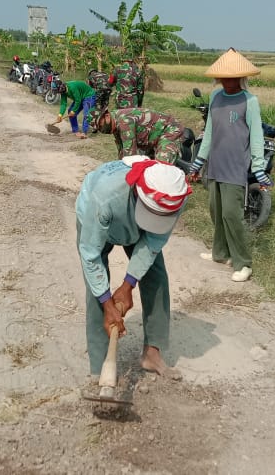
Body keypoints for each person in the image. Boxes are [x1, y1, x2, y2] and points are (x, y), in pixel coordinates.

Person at [76, 156, 192, 380]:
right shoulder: (105, 198)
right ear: (137, 194)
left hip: (136, 225)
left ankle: (152, 353)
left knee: (156, 277)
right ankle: (101, 368)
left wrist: (129, 284)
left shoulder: (176, 195)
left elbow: (154, 242)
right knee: (96, 290)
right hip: (97, 222)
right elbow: (90, 256)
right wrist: (107, 301)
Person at [185, 48, 271, 282]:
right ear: (219, 78)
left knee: (232, 214)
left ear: (241, 78)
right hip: (215, 164)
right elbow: (210, 132)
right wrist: (197, 163)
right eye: (224, 78)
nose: (228, 82)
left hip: (235, 167)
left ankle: (243, 262)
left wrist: (259, 167)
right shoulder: (215, 97)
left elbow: (256, 137)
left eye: (233, 78)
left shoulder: (249, 101)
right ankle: (220, 252)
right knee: (216, 211)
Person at [95, 108, 186, 165]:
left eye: (100, 124)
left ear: (107, 116)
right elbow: (122, 152)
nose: (101, 129)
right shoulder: (114, 124)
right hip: (153, 138)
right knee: (148, 168)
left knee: (162, 167)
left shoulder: (124, 122)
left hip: (169, 130)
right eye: (98, 128)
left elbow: (130, 156)